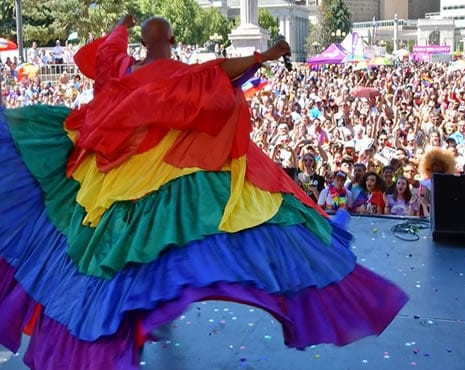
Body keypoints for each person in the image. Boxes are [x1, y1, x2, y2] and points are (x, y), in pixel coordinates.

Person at [0, 15, 408, 369]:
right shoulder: (182, 75)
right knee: (189, 231)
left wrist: (119, 29)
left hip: (116, 179)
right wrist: (264, 56)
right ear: (173, 41)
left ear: (145, 43)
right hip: (170, 172)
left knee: (123, 246)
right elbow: (222, 74)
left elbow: (106, 58)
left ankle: (134, 317)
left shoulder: (126, 72)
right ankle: (151, 310)